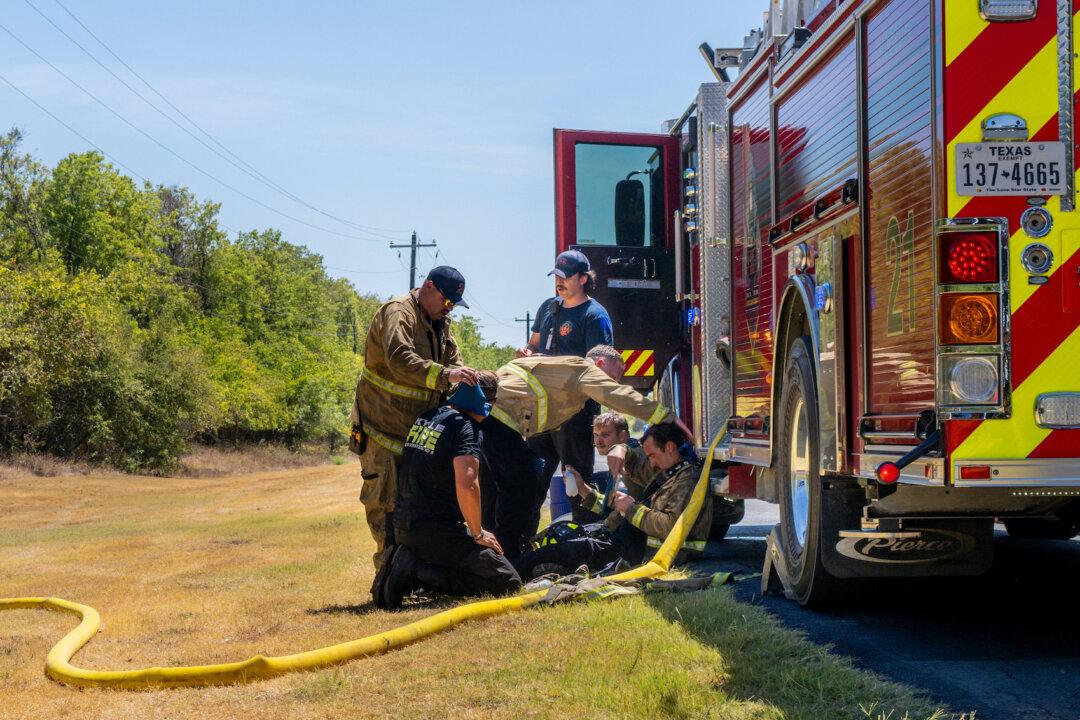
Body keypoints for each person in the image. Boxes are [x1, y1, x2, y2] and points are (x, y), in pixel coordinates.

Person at [483, 344, 694, 559]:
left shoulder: (559, 366)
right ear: (600, 363)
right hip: (501, 422)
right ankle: (507, 557)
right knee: (521, 488)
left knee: (496, 491)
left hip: (487, 418)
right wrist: (666, 416)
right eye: (612, 376)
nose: (613, 382)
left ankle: (492, 554)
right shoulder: (585, 368)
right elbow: (616, 394)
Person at [350, 266, 479, 570]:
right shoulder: (398, 312)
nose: (449, 310)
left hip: (415, 435)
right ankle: (388, 576)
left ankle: (414, 573)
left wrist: (468, 377)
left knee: (416, 507)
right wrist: (446, 375)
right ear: (429, 287)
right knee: (386, 503)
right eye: (446, 302)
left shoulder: (440, 323)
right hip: (382, 430)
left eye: (453, 306)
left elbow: (454, 362)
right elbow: (399, 358)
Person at [372, 373, 522, 609]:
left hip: (403, 526)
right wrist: (478, 533)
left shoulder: (428, 416)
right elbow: (468, 483)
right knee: (507, 580)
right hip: (434, 530)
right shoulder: (466, 427)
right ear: (486, 401)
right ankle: (415, 572)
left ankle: (408, 564)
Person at [514, 422, 713, 581]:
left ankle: (509, 575)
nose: (651, 463)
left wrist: (631, 508)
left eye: (652, 455)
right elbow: (611, 507)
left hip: (632, 550)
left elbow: (669, 526)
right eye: (596, 435)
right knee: (557, 539)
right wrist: (584, 490)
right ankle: (524, 568)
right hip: (616, 536)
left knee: (559, 551)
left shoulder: (687, 480)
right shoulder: (668, 474)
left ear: (669, 448)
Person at [517, 250, 614, 523]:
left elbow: (596, 367)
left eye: (565, 277)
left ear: (583, 278)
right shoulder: (548, 308)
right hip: (541, 410)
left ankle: (587, 542)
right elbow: (533, 343)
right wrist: (526, 351)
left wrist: (551, 365)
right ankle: (524, 542)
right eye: (556, 277)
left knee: (576, 479)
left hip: (574, 414)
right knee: (532, 479)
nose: (559, 282)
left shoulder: (595, 316)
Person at [567, 411, 656, 523]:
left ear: (623, 436)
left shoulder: (634, 458)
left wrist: (622, 450)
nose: (598, 441)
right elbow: (611, 509)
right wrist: (581, 488)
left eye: (605, 435)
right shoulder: (617, 460)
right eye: (596, 435)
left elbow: (636, 459)